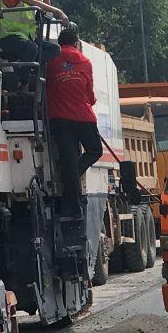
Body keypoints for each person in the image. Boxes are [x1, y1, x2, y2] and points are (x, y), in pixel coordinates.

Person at [43, 26, 103, 223]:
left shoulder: (50, 62)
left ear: (60, 43)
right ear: (76, 42)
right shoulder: (85, 62)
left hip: (59, 119)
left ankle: (74, 209)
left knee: (69, 163)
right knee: (94, 151)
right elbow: (90, 95)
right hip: (83, 116)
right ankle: (72, 171)